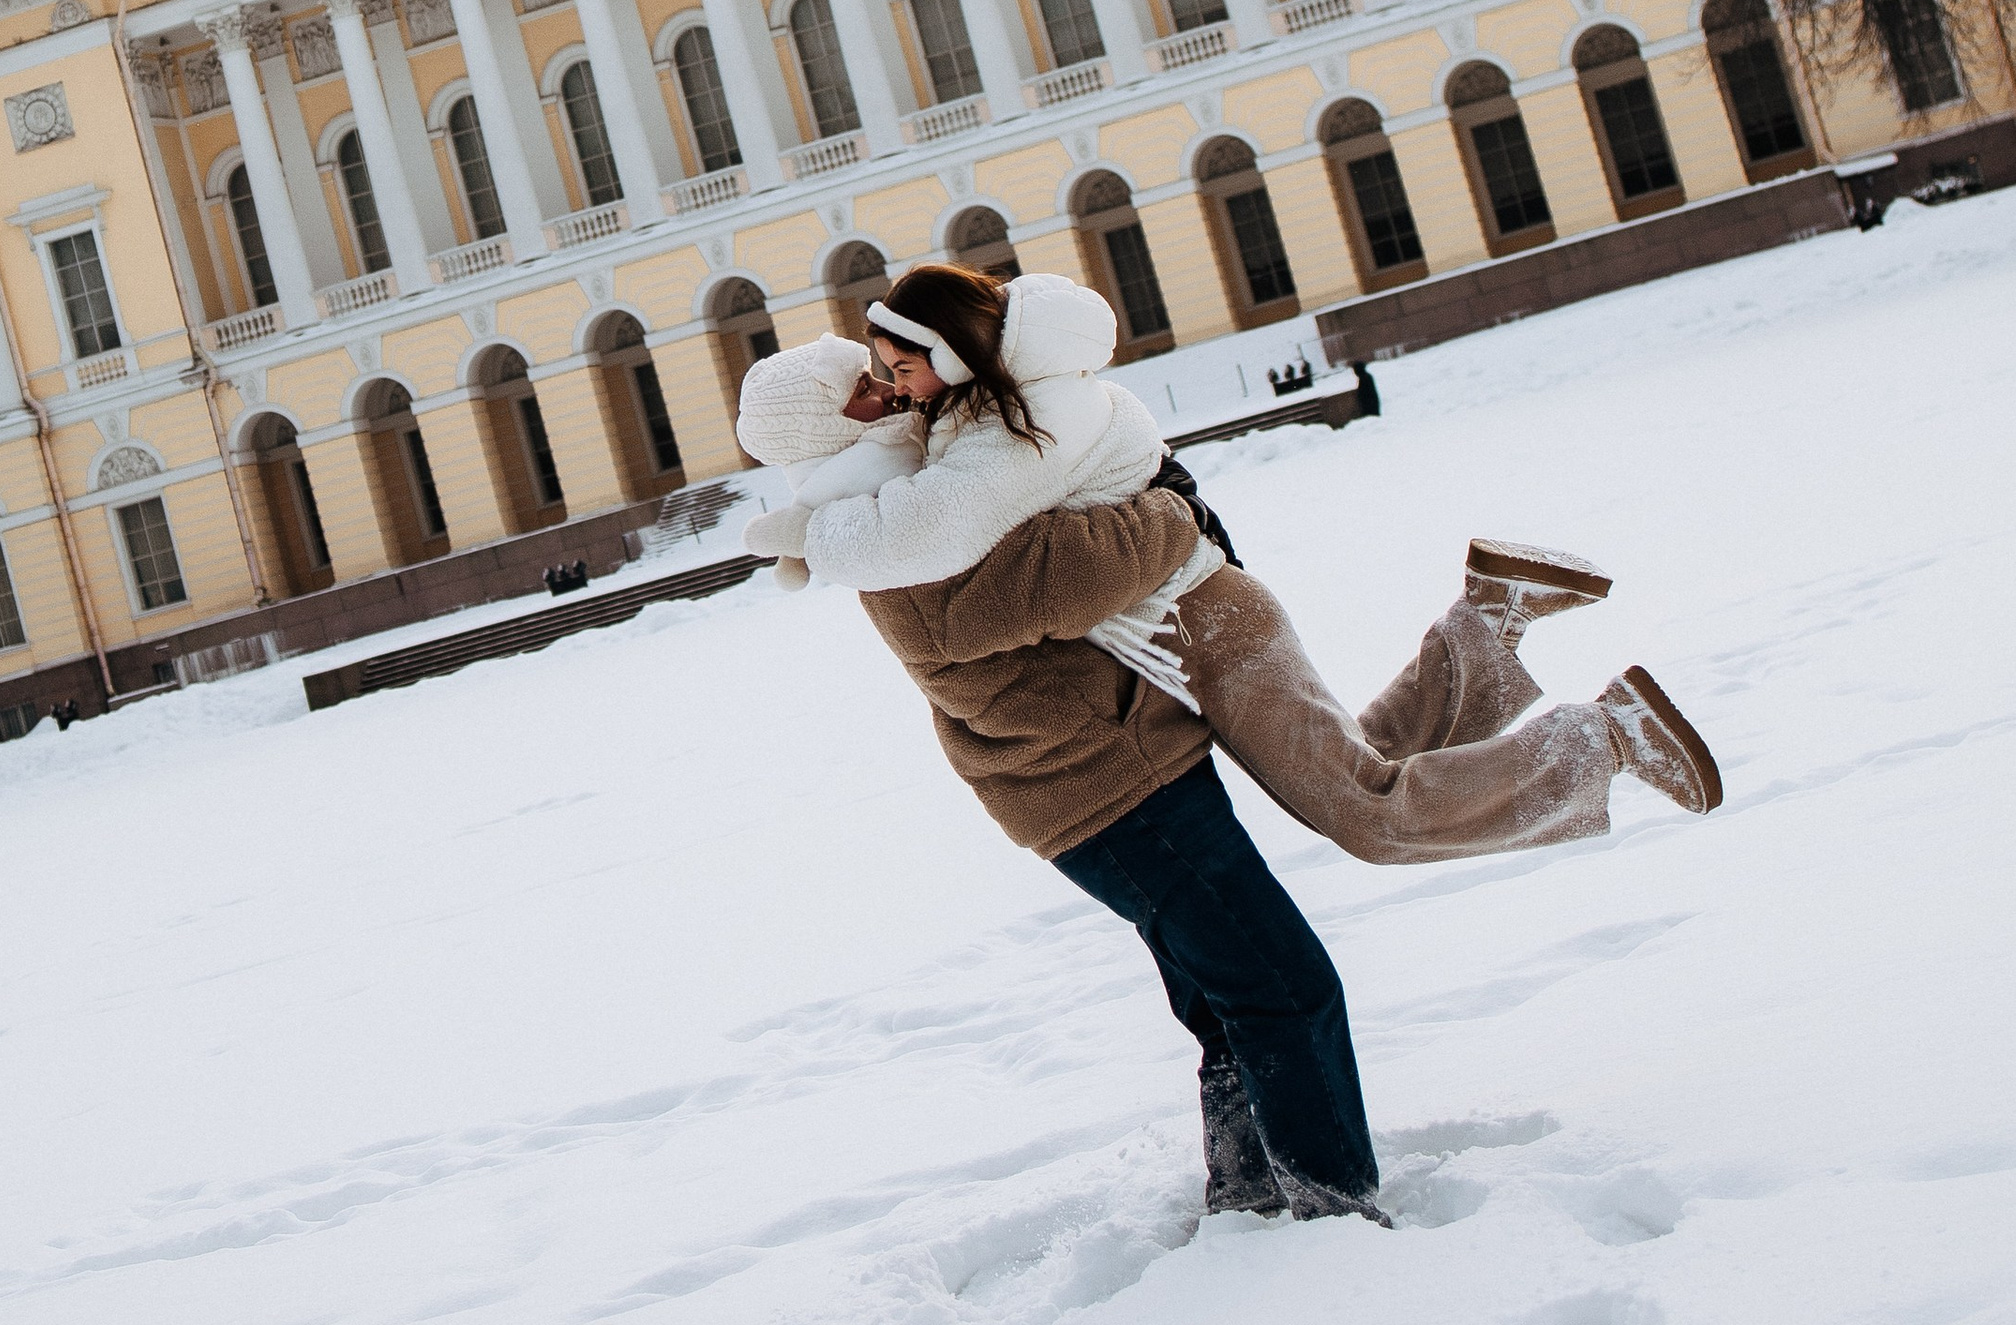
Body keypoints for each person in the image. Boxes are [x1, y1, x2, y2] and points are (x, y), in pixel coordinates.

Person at [736, 264, 1721, 1222]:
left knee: (1306, 875)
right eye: (864, 388)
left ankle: (1256, 1196)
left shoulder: (916, 488)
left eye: (885, 370)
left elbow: (1049, 506)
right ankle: (1325, 1206)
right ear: (831, 431)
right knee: (1303, 935)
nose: (888, 391)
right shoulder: (903, 535)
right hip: (1112, 780)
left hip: (1145, 718)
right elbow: (1073, 571)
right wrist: (1170, 510)